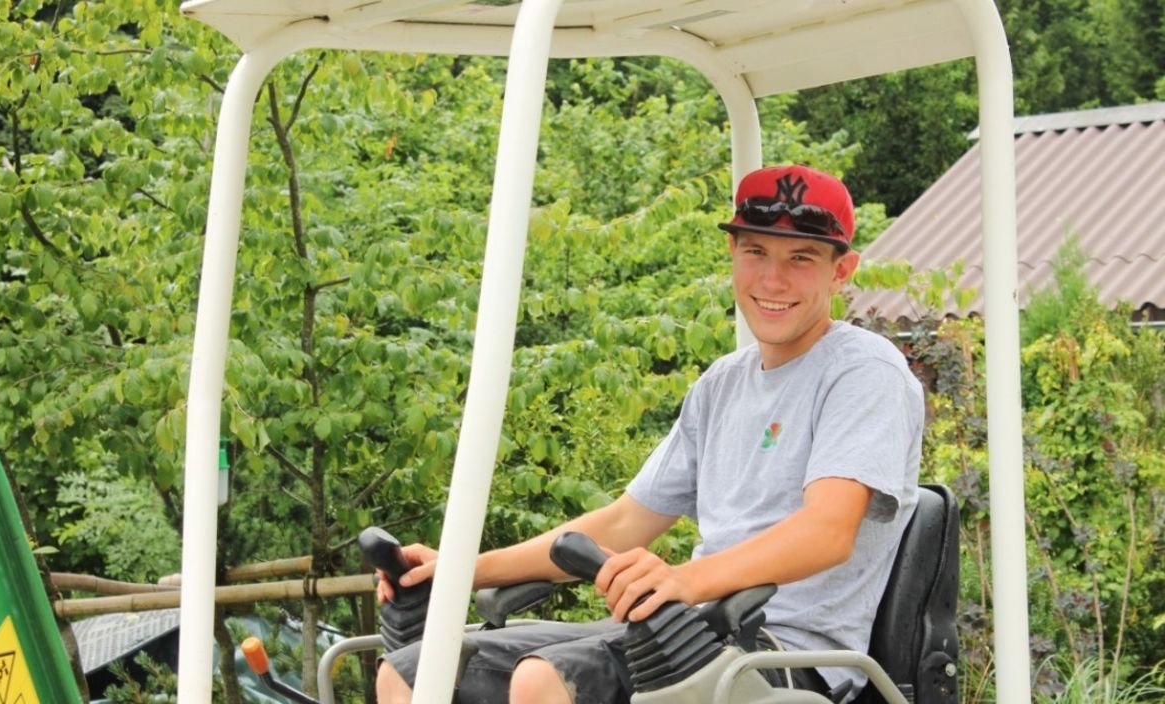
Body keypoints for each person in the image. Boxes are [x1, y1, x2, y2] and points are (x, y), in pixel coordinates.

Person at [375, 164, 924, 704]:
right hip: (683, 628)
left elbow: (828, 530)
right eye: (756, 252)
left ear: (842, 269)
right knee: (411, 672)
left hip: (782, 656)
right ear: (733, 254)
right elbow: (623, 522)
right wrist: (457, 573)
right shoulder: (722, 384)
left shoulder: (863, 371)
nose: (772, 280)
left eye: (800, 259)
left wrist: (685, 580)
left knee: (543, 680)